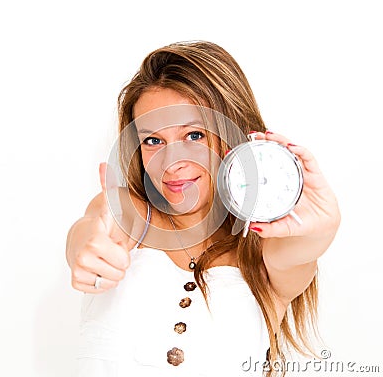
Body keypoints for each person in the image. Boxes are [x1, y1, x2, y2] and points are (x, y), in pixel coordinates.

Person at [66, 41, 340, 377]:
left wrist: (324, 224)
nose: (172, 162)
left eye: (194, 135)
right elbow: (94, 228)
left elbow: (303, 250)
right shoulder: (130, 214)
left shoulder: (264, 257)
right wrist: (85, 248)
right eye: (152, 140)